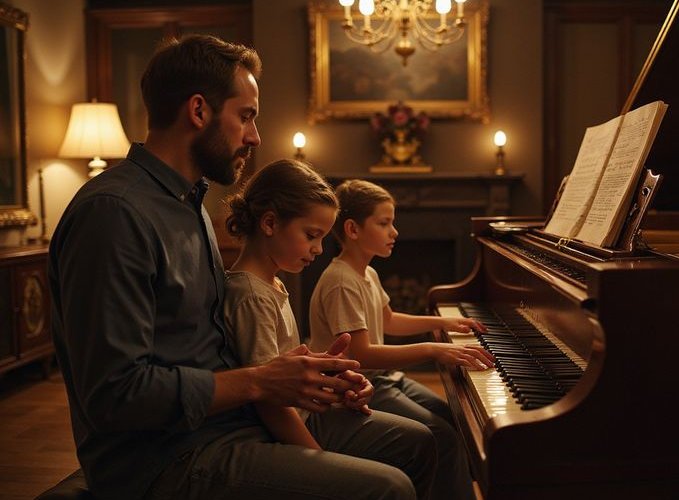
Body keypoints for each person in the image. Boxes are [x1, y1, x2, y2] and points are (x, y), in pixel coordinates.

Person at [48, 35, 433, 500]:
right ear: (198, 111)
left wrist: (308, 375)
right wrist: (260, 381)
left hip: (228, 423)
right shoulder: (114, 213)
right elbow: (115, 395)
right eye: (246, 115)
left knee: (421, 444)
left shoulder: (189, 204)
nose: (255, 136)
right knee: (387, 489)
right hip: (164, 458)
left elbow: (213, 347)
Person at [223, 158, 437, 479]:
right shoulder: (251, 294)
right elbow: (270, 398)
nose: (319, 249)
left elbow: (286, 365)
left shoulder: (273, 283)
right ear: (269, 223)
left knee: (421, 438)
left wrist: (337, 382)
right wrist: (316, 459)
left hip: (307, 409)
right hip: (296, 423)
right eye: (311, 235)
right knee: (413, 451)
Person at [309, 179, 496, 500]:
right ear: (353, 230)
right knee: (442, 437)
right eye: (384, 223)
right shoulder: (341, 281)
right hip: (358, 386)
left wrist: (445, 321)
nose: (394, 232)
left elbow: (389, 320)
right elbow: (362, 354)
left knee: (457, 418)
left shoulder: (366, 273)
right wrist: (433, 349)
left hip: (384, 379)